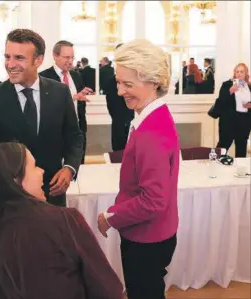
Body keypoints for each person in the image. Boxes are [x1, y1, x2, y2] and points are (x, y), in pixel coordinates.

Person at [0, 142, 124, 299]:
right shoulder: (65, 222)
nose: (42, 171)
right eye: (35, 166)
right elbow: (108, 290)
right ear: (15, 180)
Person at [97, 39, 180, 299]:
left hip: (146, 237)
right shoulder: (155, 116)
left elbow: (152, 200)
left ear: (153, 82)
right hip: (157, 232)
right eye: (118, 82)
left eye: (127, 84)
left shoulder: (151, 131)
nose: (120, 91)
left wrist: (110, 217)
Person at [0, 29, 83, 207]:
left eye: (19, 58)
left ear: (38, 60)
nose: (10, 64)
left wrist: (69, 168)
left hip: (52, 195)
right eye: (7, 57)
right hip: (8, 201)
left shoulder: (60, 92)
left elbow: (74, 137)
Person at [40, 40, 92, 163]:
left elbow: (80, 102)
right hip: (55, 135)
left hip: (77, 133)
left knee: (79, 169)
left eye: (72, 58)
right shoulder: (44, 77)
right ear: (55, 56)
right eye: (66, 57)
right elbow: (44, 104)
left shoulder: (76, 76)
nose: (70, 61)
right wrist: (72, 97)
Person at [215, 63, 251, 157]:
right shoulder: (227, 84)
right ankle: (214, 168)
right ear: (234, 73)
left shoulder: (249, 86)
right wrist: (230, 91)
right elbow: (220, 101)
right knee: (222, 148)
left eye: (241, 71)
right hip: (228, 122)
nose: (239, 73)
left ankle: (239, 171)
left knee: (241, 150)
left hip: (244, 122)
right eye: (237, 71)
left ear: (246, 73)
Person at [104, 43, 134, 151]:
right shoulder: (111, 82)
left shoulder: (137, 79)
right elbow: (112, 107)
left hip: (135, 125)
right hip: (119, 127)